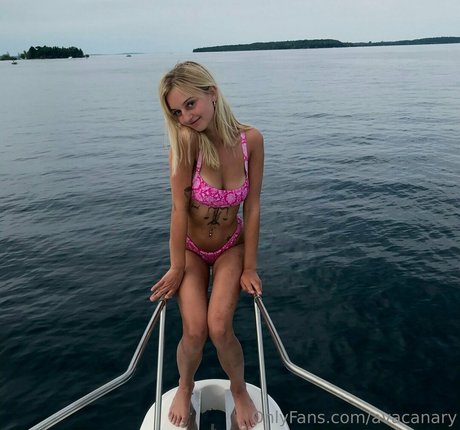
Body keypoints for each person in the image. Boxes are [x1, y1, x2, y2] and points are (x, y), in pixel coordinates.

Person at [150, 61, 264, 430]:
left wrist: (250, 266)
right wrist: (176, 266)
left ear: (211, 93)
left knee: (219, 327)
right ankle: (185, 386)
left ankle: (239, 389)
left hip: (231, 245)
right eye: (177, 112)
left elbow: (253, 206)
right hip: (192, 249)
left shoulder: (251, 141)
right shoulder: (187, 142)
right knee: (195, 330)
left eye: (190, 104)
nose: (185, 117)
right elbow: (178, 208)